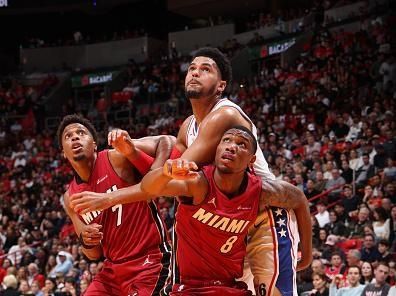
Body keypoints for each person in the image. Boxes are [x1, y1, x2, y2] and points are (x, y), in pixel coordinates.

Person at [70, 47, 312, 296]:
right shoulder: (188, 126)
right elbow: (166, 177)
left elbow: (166, 179)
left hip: (262, 213)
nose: (195, 73)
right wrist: (132, 151)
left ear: (221, 86)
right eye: (192, 68)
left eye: (205, 69)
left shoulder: (224, 115)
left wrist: (108, 197)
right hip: (227, 225)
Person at [139, 127, 311, 295]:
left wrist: (307, 256)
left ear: (252, 160)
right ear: (216, 150)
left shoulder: (261, 192)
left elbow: (299, 199)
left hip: (231, 287)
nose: (231, 146)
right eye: (226, 140)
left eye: (241, 144)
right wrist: (165, 172)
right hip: (190, 287)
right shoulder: (198, 183)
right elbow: (147, 187)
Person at [57, 114, 174, 295]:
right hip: (112, 270)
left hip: (150, 260)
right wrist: (87, 241)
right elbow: (93, 254)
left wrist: (152, 179)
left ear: (94, 144)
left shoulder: (116, 157)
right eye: (68, 136)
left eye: (81, 132)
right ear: (64, 152)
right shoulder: (70, 197)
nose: (74, 137)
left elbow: (166, 141)